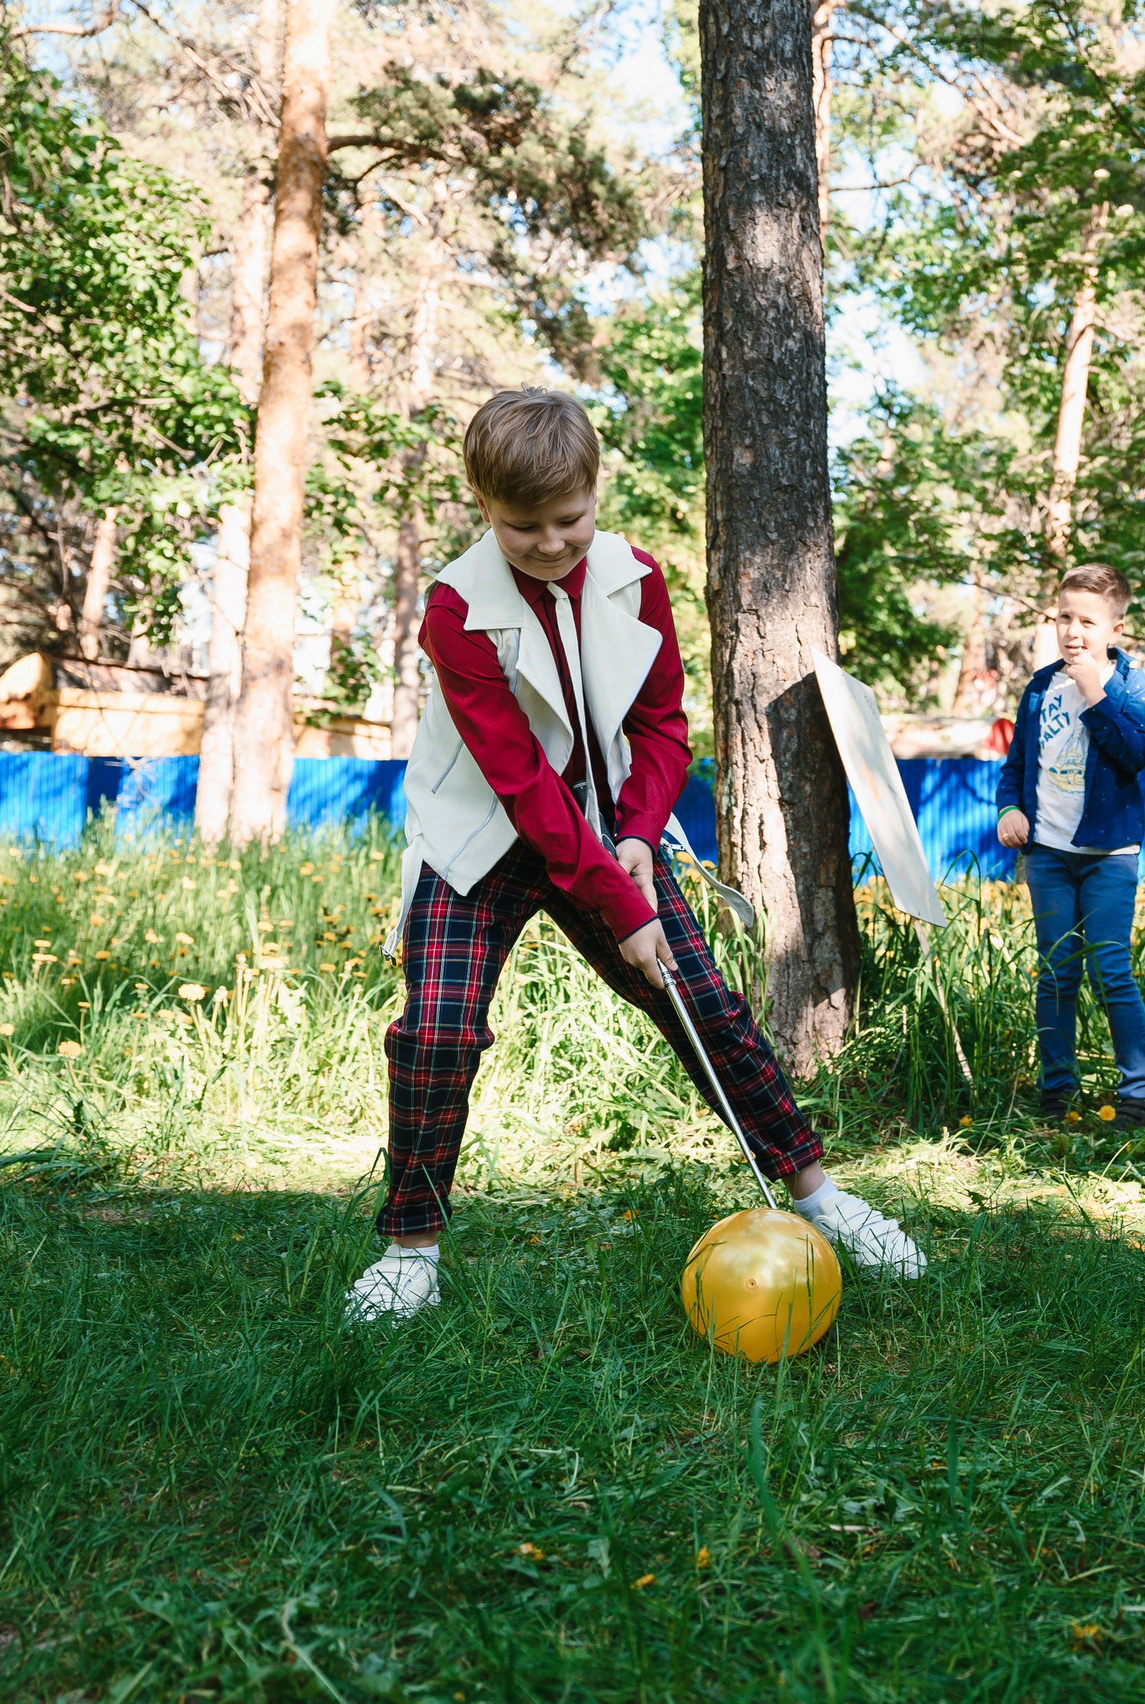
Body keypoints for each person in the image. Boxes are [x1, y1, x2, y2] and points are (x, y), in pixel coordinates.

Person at [351, 390, 925, 1321]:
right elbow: (520, 782)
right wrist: (624, 907)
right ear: (482, 504)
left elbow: (661, 725)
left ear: (595, 488)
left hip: (608, 831)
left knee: (704, 1005)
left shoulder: (637, 577)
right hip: (482, 836)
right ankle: (409, 1252)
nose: (550, 543)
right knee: (438, 1032)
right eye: (522, 526)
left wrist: (638, 835)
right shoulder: (455, 609)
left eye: (569, 518)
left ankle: (821, 1198)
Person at [996, 564, 1145, 1127]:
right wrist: (1010, 808)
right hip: (1047, 853)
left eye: (1088, 621)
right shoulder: (1040, 687)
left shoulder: (1131, 684)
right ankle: (1057, 1093)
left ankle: (1141, 1095)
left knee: (1111, 972)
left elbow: (1136, 754)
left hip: (1109, 856)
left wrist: (1095, 694)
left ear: (1116, 628)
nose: (1073, 631)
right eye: (1064, 617)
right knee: (1056, 973)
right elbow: (1016, 767)